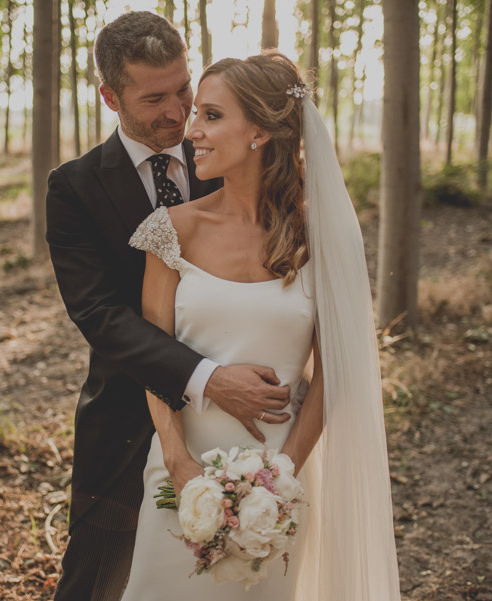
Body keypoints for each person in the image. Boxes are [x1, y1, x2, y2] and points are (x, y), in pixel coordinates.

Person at [120, 52, 401, 600]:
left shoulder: (318, 236)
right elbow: (152, 354)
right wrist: (179, 465)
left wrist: (280, 480)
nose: (191, 130)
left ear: (260, 132)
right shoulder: (170, 230)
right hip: (183, 472)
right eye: (195, 114)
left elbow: (334, 371)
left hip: (281, 485)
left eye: (211, 115)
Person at [45, 12, 294, 601]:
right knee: (97, 580)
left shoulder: (226, 150)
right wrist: (208, 380)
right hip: (128, 423)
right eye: (154, 98)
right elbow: (101, 316)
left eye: (184, 89)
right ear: (110, 97)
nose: (179, 112)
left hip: (247, 431)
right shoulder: (75, 187)